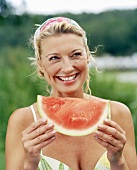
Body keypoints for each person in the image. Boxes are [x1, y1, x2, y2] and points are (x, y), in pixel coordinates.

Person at [6, 16, 137, 170]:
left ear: (87, 56)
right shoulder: (23, 120)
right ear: (41, 65)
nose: (67, 68)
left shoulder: (117, 114)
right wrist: (31, 163)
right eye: (54, 58)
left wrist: (117, 161)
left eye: (76, 55)